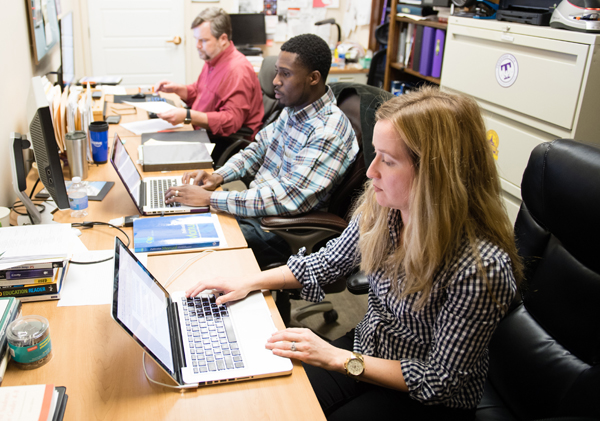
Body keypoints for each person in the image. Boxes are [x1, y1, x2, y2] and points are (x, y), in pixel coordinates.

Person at [183, 87, 524, 420]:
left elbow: (440, 381)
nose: (371, 171)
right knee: (276, 400)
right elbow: (328, 263)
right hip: (367, 347)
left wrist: (336, 358)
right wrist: (248, 281)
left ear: (436, 176)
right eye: (373, 153)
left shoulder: (481, 267)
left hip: (424, 396)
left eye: (387, 161)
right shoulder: (384, 210)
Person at [165, 33, 359, 269]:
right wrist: (219, 175)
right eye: (277, 71)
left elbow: (287, 197)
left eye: (285, 74)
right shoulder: (295, 108)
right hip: (258, 212)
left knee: (191, 247)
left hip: (284, 231)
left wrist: (212, 198)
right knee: (178, 223)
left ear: (313, 78)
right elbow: (258, 149)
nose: (275, 80)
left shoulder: (328, 131)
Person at [154, 7, 264, 158]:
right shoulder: (213, 58)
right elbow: (201, 91)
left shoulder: (237, 70)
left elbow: (231, 122)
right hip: (202, 132)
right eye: (196, 40)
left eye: (203, 40)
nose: (197, 45)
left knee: (160, 156)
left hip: (224, 143)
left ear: (223, 39)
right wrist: (177, 89)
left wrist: (188, 115)